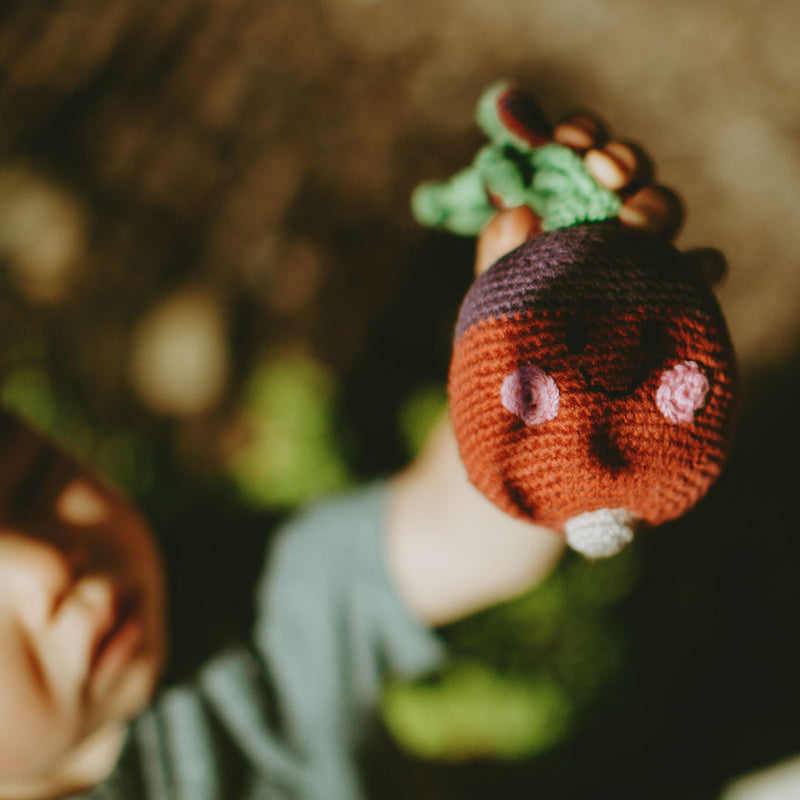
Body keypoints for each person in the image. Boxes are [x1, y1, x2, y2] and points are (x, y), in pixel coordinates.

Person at [0, 112, 691, 800]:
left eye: (33, 483)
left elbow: (456, 538)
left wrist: (540, 366)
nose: (52, 569)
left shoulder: (232, 608)